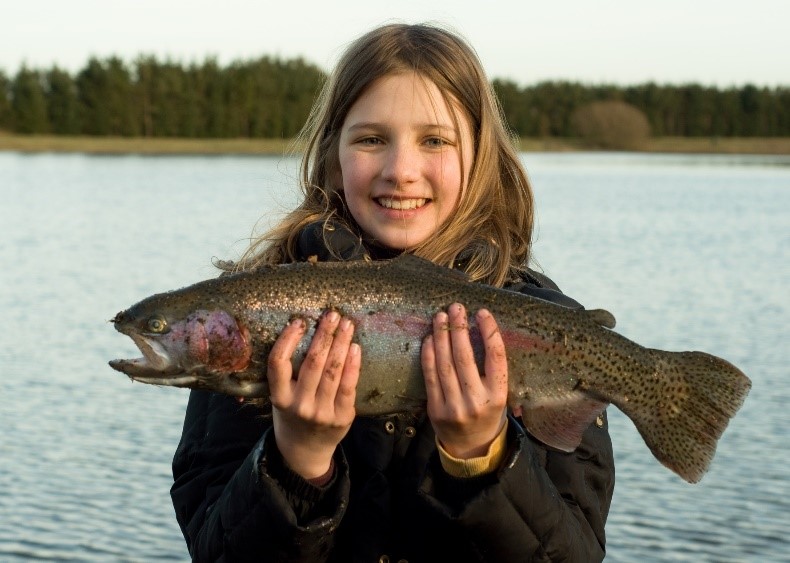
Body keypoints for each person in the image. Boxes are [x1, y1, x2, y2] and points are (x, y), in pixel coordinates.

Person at [171, 23, 615, 562]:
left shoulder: (552, 326)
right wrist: (298, 460)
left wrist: (483, 455)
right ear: (334, 157)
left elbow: (574, 555)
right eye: (372, 139)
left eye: (435, 140)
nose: (401, 170)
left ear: (479, 159)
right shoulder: (254, 314)